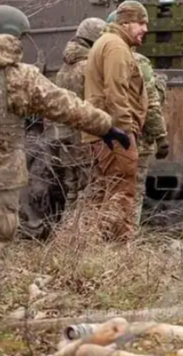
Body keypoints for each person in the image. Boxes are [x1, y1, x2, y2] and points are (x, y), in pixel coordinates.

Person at [0, 6, 129, 335]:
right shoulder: (20, 76)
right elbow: (66, 105)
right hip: (1, 176)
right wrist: (107, 127)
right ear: (16, 36)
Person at [19, 17, 108, 239]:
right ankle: (77, 237)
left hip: (63, 136)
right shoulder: (88, 67)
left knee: (72, 189)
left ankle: (66, 234)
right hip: (83, 136)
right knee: (88, 189)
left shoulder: (65, 67)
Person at [83, 1, 149, 241]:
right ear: (125, 23)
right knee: (122, 192)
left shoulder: (107, 42)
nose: (145, 29)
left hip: (103, 131)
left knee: (104, 191)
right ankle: (120, 251)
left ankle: (95, 247)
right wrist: (124, 132)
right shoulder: (116, 46)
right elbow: (116, 92)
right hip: (114, 133)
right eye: (140, 23)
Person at [105, 10, 169, 226]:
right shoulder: (138, 61)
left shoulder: (99, 55)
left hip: (105, 136)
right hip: (135, 138)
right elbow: (151, 103)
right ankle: (126, 241)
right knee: (133, 192)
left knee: (107, 190)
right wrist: (161, 137)